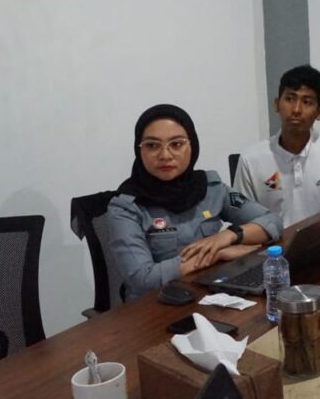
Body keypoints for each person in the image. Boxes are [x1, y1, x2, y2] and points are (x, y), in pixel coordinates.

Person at [107, 104, 282, 301]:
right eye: (152, 146)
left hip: (210, 292)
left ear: (192, 146)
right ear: (139, 150)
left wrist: (229, 236)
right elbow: (143, 279)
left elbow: (271, 221)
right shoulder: (125, 207)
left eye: (176, 144)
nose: (165, 155)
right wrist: (217, 254)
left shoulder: (212, 189)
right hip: (154, 306)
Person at [234, 65, 320, 228]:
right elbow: (242, 223)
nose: (296, 109)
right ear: (277, 104)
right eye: (290, 99)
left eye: (307, 102)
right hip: (269, 244)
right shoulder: (251, 160)